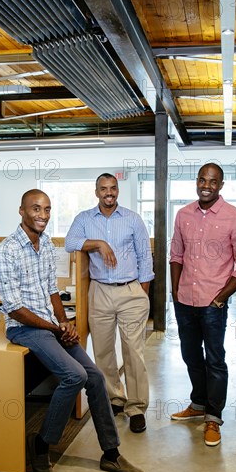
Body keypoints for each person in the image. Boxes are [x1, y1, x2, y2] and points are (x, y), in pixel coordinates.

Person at [0, 189, 145, 472]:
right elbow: (14, 308)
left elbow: (52, 290)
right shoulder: (7, 250)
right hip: (25, 329)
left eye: (47, 209)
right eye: (36, 209)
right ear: (21, 211)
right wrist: (54, 328)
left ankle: (111, 454)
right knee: (75, 376)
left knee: (96, 377)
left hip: (50, 325)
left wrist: (65, 322)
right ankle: (41, 443)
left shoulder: (47, 244)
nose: (43, 215)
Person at [169, 162, 236, 446]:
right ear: (196, 181)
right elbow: (176, 256)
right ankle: (198, 403)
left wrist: (221, 297)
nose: (206, 185)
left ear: (221, 185)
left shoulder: (234, 218)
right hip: (185, 302)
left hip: (213, 304)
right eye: (202, 180)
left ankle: (213, 418)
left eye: (213, 181)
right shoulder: (183, 215)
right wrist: (175, 292)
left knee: (214, 360)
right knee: (190, 356)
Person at [65, 173, 154, 434]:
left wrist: (141, 292)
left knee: (133, 351)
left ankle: (136, 407)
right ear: (96, 192)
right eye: (103, 189)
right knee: (103, 351)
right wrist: (98, 244)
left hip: (130, 290)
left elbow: (144, 257)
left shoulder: (132, 219)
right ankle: (115, 398)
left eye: (113, 188)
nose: (109, 193)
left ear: (117, 190)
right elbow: (71, 243)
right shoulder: (84, 219)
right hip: (99, 291)